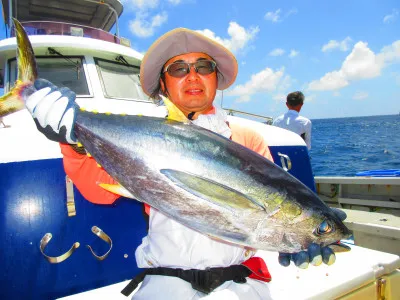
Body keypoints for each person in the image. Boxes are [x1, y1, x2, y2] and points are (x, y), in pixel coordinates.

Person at [25, 28, 343, 299]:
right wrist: (70, 137)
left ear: (216, 78)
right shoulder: (140, 136)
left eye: (202, 66)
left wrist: (300, 240)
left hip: (237, 287)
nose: (192, 76)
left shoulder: (248, 137)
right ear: (163, 85)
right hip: (164, 285)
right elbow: (99, 192)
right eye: (178, 69)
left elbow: (273, 214)